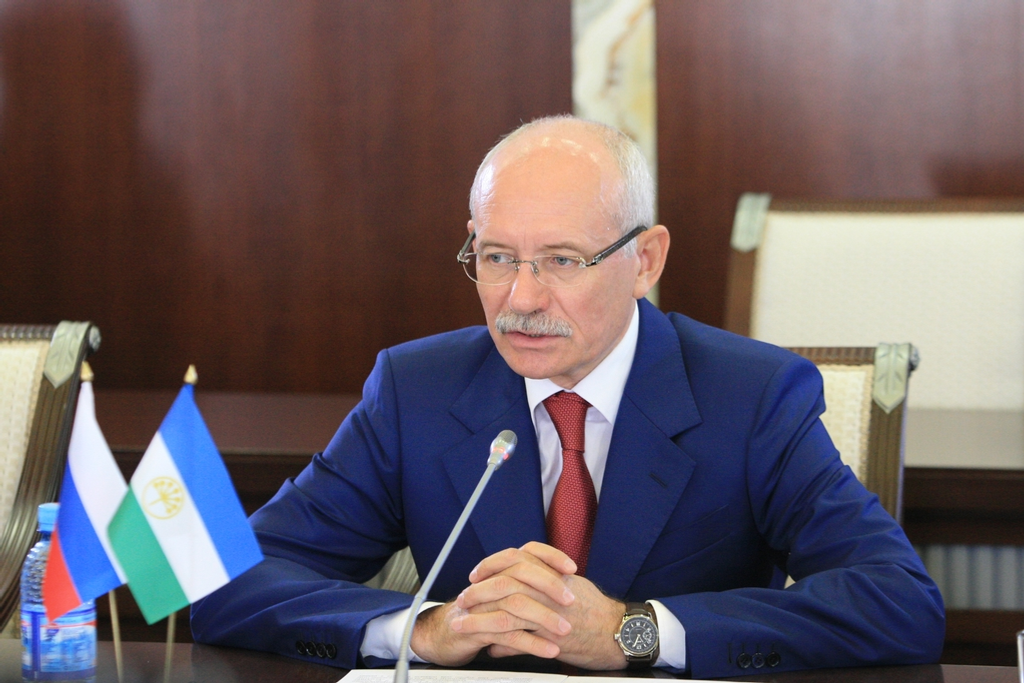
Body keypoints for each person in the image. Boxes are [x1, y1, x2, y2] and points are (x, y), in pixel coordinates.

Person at [190, 115, 945, 678]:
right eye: (497, 257)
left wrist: (632, 632)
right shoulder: (416, 391)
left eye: (562, 260)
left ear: (645, 259)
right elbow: (226, 580)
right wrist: (423, 629)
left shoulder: (751, 397)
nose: (521, 298)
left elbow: (898, 602)